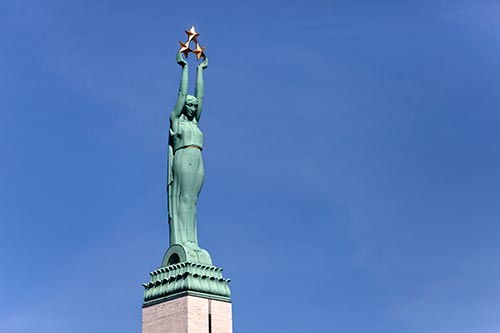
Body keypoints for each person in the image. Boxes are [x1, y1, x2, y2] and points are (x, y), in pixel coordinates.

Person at [167, 52, 208, 248]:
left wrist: (200, 71)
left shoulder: (195, 123)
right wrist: (185, 68)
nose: (192, 107)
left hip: (197, 157)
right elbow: (183, 94)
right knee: (183, 198)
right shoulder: (177, 122)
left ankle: (192, 240)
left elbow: (200, 95)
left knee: (193, 201)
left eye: (194, 106)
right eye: (189, 105)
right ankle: (182, 240)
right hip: (183, 157)